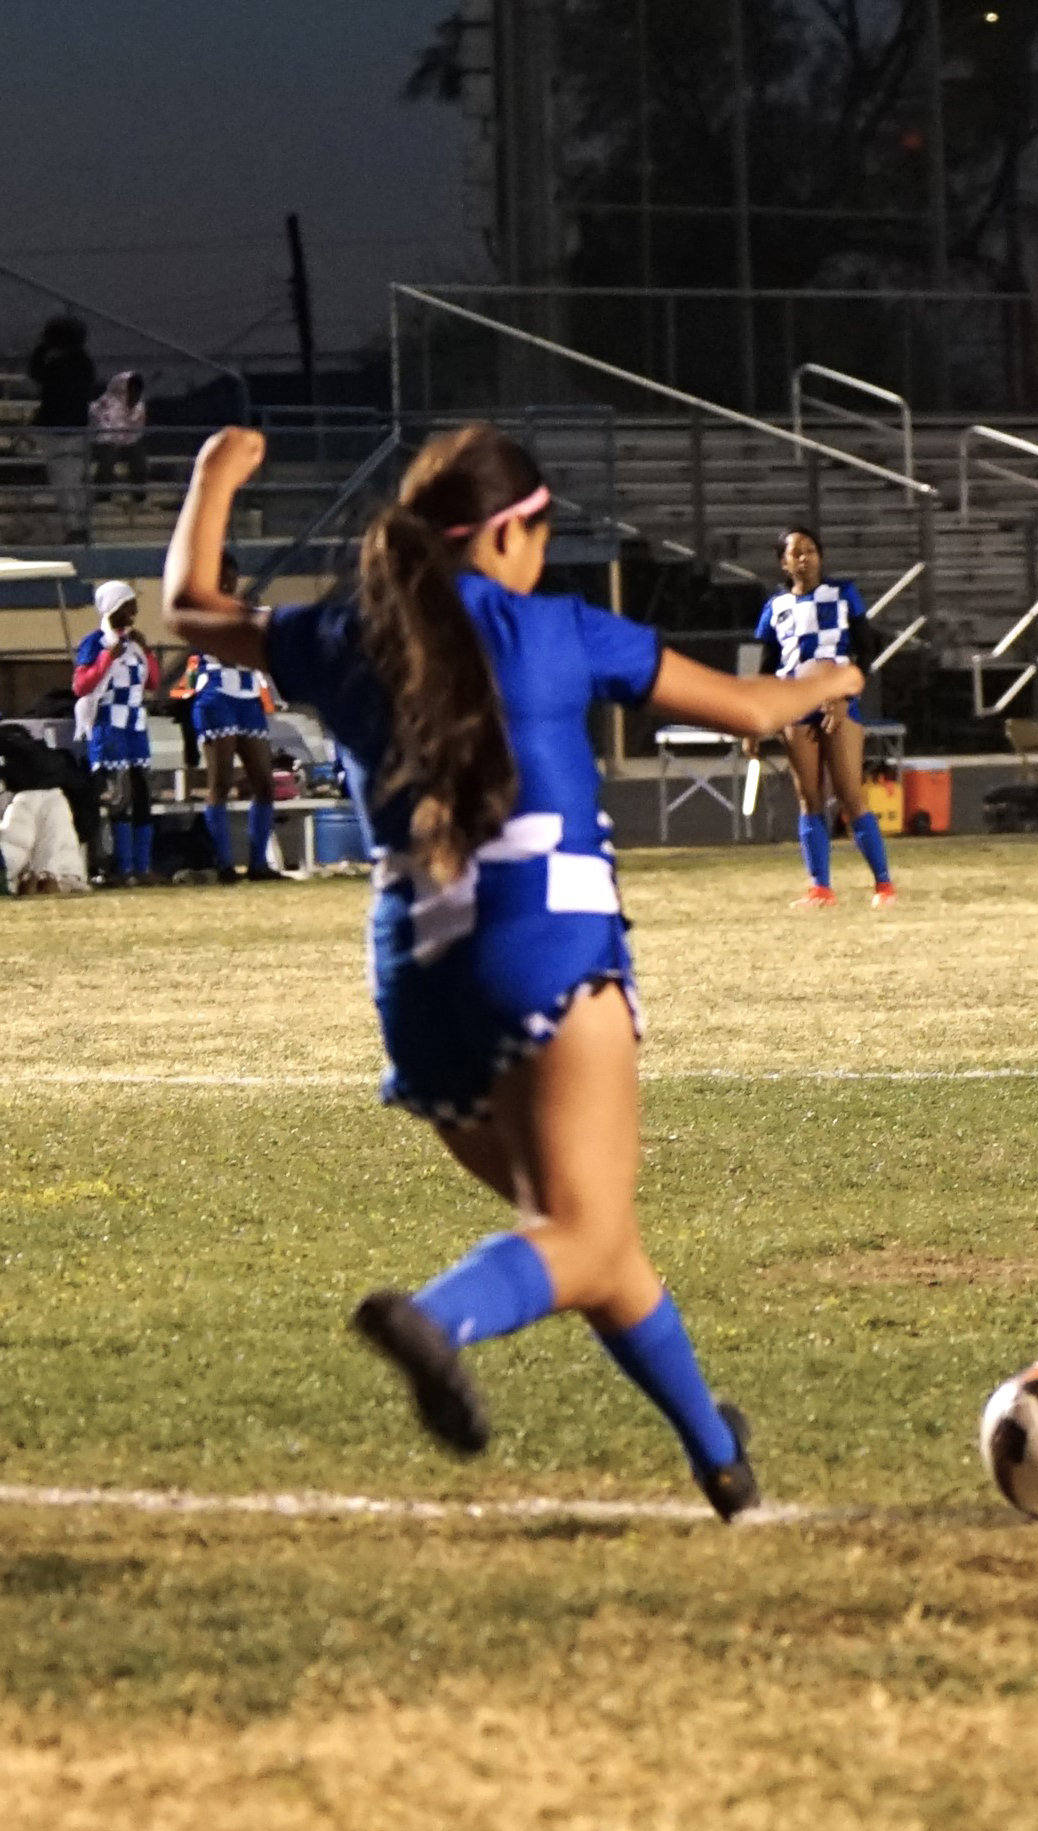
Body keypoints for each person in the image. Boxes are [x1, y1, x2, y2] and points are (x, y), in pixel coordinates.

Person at [162, 421, 862, 1520]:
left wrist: (212, 479)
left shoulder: (349, 635)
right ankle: (435, 1320)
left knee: (590, 1241)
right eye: (542, 531)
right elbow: (750, 708)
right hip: (544, 943)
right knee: (580, 1237)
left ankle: (719, 1455)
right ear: (503, 534)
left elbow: (190, 611)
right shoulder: (557, 631)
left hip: (417, 982)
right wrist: (827, 677)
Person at [757, 527, 895, 908]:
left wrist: (847, 691)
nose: (804, 558)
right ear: (783, 562)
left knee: (851, 794)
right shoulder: (775, 607)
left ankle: (884, 885)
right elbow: (769, 666)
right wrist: (756, 720)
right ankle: (821, 888)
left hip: (836, 700)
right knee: (809, 796)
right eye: (796, 553)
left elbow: (866, 650)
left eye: (811, 551)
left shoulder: (843, 593)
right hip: (793, 702)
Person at [186, 586, 284, 882]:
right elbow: (226, 653)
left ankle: (258, 864)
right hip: (217, 696)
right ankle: (224, 865)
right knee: (221, 782)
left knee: (264, 784)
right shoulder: (210, 619)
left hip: (249, 697)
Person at [71, 580, 156, 885]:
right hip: (109, 724)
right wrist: (108, 655)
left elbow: (152, 683)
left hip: (135, 724)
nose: (135, 611)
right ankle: (123, 867)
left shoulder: (134, 642)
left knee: (142, 795)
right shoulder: (95, 642)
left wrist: (147, 651)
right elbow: (81, 686)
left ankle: (143, 866)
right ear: (114, 607)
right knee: (119, 797)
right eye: (129, 604)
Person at [27, 316, 97, 543]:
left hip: (59, 431)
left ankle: (76, 529)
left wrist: (41, 348)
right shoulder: (85, 364)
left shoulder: (60, 366)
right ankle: (80, 527)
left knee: (65, 481)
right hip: (77, 429)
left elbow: (36, 374)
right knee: (75, 481)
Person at [89, 372, 151, 512]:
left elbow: (136, 432)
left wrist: (127, 443)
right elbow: (103, 430)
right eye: (131, 388)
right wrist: (118, 441)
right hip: (100, 442)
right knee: (108, 457)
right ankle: (102, 499)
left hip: (126, 442)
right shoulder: (105, 404)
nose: (135, 393)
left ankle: (139, 499)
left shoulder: (139, 407)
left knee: (139, 459)